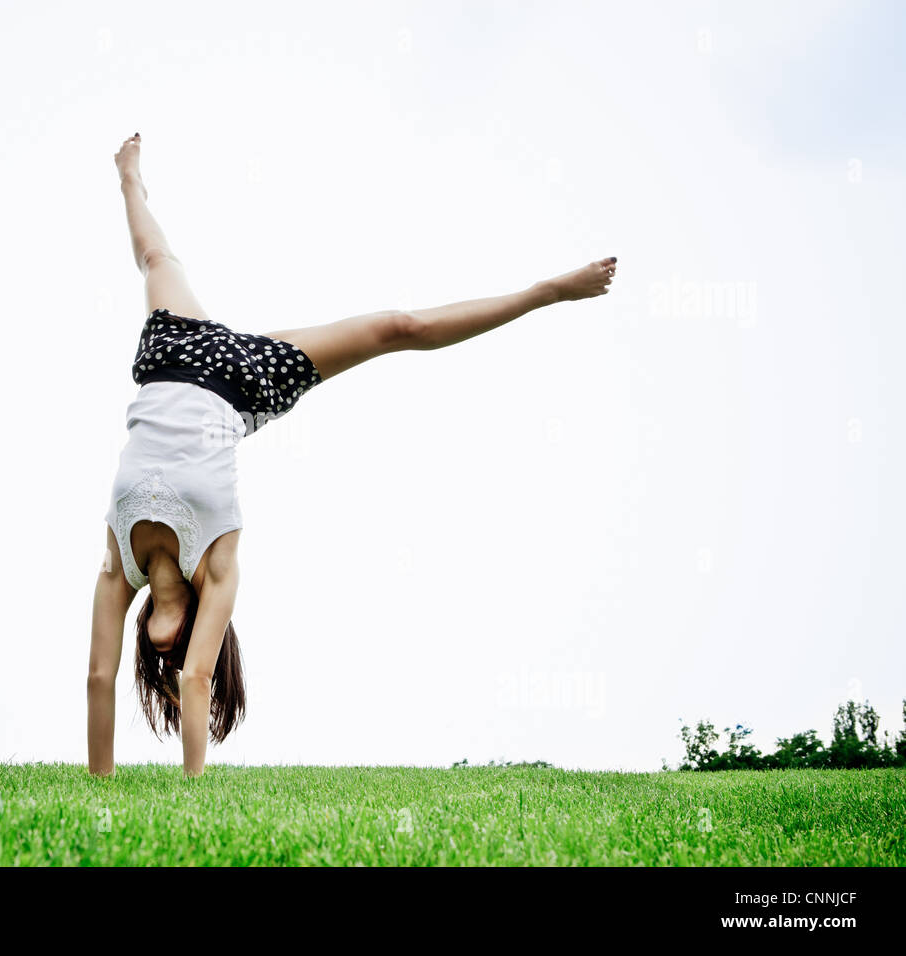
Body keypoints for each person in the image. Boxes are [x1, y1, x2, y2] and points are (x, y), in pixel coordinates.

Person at [88, 132, 618, 777]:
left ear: (145, 636)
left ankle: (129, 178)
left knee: (156, 256)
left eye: (160, 657)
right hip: (246, 383)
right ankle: (552, 290)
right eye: (178, 653)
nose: (171, 656)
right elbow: (199, 679)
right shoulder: (218, 567)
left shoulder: (119, 564)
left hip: (178, 355)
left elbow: (97, 676)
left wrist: (101, 783)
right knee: (400, 328)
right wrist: (173, 790)